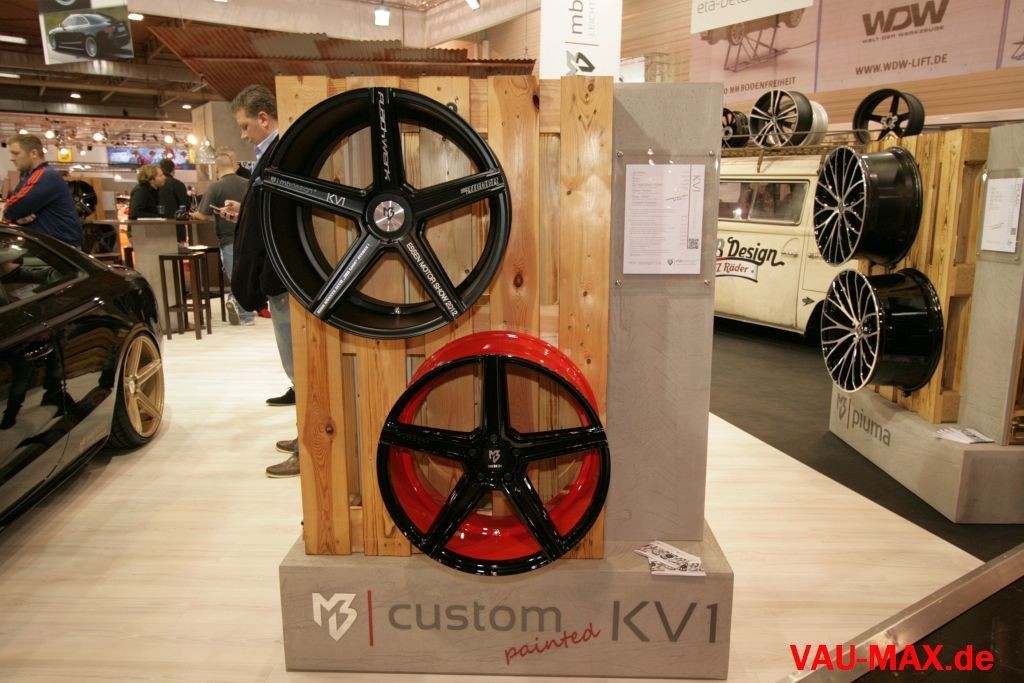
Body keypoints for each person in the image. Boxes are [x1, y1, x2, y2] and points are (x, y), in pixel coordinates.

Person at [227, 84, 299, 478]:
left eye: (244, 126)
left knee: (298, 369)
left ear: (264, 118)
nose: (243, 134)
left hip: (282, 278)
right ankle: (305, 436)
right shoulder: (272, 155)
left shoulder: (280, 154)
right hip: (279, 277)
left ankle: (310, 447)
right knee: (295, 368)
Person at [192, 148, 254, 325]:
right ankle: (241, 306)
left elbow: (203, 215)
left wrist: (194, 214)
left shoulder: (215, 187)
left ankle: (244, 314)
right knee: (247, 273)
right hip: (249, 235)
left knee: (235, 275)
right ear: (233, 166)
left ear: (217, 169)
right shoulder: (248, 183)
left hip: (228, 237)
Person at [3, 134, 83, 247]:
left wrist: (15, 214)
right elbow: (14, 210)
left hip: (59, 248)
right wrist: (17, 218)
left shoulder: (45, 176)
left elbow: (12, 209)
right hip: (47, 246)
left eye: (16, 153)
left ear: (33, 153)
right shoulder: (30, 177)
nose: (11, 158)